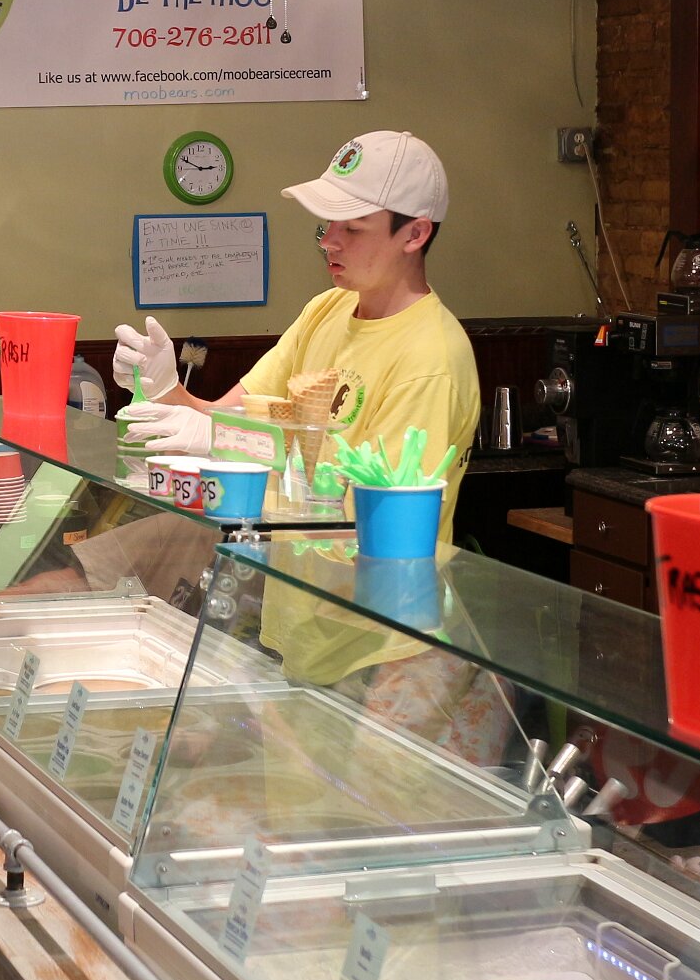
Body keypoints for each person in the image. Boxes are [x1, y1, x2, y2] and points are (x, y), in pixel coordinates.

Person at [111, 131, 510, 762]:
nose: (330, 242)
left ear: (415, 234)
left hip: (384, 647)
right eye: (326, 225)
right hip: (300, 633)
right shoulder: (327, 310)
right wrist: (167, 390)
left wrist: (221, 439)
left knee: (365, 812)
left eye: (353, 227)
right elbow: (224, 419)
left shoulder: (430, 358)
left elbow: (358, 517)